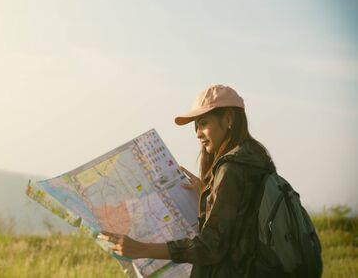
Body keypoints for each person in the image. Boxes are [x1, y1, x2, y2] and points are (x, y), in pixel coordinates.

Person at [99, 84, 279, 277]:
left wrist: (142, 249)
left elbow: (210, 247)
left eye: (203, 124)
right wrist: (208, 195)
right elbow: (243, 223)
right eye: (196, 126)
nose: (198, 134)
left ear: (228, 119)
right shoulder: (257, 157)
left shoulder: (231, 169)